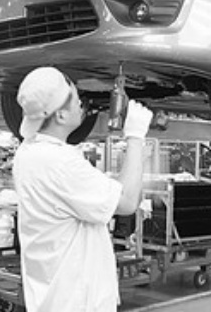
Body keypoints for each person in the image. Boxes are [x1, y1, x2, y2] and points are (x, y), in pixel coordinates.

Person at [11, 66, 153, 312]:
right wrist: (135, 137)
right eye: (77, 100)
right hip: (76, 302)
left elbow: (94, 189)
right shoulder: (61, 163)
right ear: (60, 116)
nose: (82, 104)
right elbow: (128, 201)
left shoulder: (27, 153)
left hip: (52, 297)